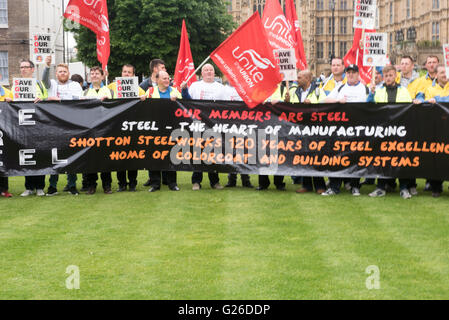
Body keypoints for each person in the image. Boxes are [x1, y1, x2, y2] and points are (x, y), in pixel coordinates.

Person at [367, 65, 414, 199]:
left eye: (390, 75)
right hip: (384, 131)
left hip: (399, 131)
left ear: (395, 76)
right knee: (383, 160)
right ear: (383, 77)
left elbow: (407, 109)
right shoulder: (379, 91)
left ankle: (404, 188)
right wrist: (371, 94)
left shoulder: (404, 91)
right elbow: (370, 105)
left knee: (401, 159)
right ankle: (381, 187)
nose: (388, 78)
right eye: (386, 76)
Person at [322, 64, 369, 196]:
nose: (350, 75)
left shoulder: (364, 89)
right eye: (348, 72)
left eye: (353, 72)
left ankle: (355, 186)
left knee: (355, 158)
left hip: (357, 128)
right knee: (337, 158)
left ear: (358, 74)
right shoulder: (340, 87)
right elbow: (325, 99)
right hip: (341, 129)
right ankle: (334, 187)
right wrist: (338, 100)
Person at [42, 56, 83, 196]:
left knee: (72, 155)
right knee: (55, 155)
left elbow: (78, 100)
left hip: (72, 125)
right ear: (56, 74)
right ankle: (52, 186)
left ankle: (72, 185)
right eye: (59, 71)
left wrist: (58, 99)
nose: (62, 73)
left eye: (64, 71)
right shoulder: (51, 84)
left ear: (68, 73)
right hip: (54, 125)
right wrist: (47, 66)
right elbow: (44, 80)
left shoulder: (75, 85)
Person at [182, 63, 226, 191]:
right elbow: (187, 101)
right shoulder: (195, 86)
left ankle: (215, 182)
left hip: (214, 126)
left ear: (214, 72)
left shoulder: (220, 87)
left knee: (213, 153)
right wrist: (184, 89)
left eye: (211, 70)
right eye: (206, 70)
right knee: (198, 153)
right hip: (198, 125)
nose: (208, 72)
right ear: (202, 73)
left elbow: (226, 106)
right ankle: (196, 181)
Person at [285, 70, 326, 194]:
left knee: (315, 157)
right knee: (303, 157)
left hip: (314, 128)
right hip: (299, 128)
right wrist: (286, 101)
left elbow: (325, 106)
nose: (297, 79)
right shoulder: (294, 91)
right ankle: (306, 185)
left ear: (308, 79)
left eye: (299, 77)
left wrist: (312, 104)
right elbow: (289, 109)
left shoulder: (318, 91)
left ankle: (320, 185)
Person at [12, 59, 48, 196]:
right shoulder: (16, 86)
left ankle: (40, 187)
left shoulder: (39, 84)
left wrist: (42, 99)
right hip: (23, 127)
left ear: (32, 69)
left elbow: (46, 99)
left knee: (39, 155)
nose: (23, 69)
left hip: (38, 126)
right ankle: (29, 187)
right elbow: (13, 102)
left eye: (26, 67)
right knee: (25, 155)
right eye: (21, 67)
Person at [145, 70, 185, 192]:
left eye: (168, 78)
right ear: (157, 80)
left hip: (171, 128)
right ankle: (155, 183)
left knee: (171, 156)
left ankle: (172, 183)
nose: (167, 80)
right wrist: (142, 100)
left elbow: (183, 107)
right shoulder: (150, 92)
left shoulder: (175, 91)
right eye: (164, 78)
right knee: (154, 156)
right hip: (155, 129)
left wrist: (177, 101)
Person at [108, 64, 146, 192]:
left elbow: (147, 102)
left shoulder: (139, 89)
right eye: (124, 72)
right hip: (117, 127)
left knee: (132, 156)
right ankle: (122, 183)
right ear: (121, 73)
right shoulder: (112, 87)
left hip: (132, 127)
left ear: (133, 75)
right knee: (119, 156)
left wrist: (144, 99)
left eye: (129, 72)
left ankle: (133, 183)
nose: (126, 74)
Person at [414, 64, 449, 197]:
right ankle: (436, 186)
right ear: (436, 74)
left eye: (446, 72)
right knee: (437, 155)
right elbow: (425, 101)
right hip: (437, 126)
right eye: (442, 73)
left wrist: (438, 100)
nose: (445, 75)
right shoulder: (429, 88)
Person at [82, 66, 114, 195]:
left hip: (106, 130)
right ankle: (91, 185)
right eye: (92, 73)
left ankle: (107, 185)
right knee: (91, 159)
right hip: (89, 130)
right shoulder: (84, 93)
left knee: (105, 159)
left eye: (97, 73)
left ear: (102, 76)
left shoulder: (109, 92)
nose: (94, 75)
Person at [222, 75, 253, 188]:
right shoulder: (224, 90)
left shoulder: (245, 90)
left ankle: (246, 179)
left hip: (244, 126)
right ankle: (232, 179)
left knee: (244, 152)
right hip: (229, 126)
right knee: (231, 153)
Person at [140, 59, 167, 187]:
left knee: (166, 150)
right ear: (155, 69)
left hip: (166, 123)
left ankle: (167, 178)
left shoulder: (168, 84)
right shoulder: (144, 85)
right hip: (150, 124)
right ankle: (153, 178)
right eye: (162, 67)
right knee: (152, 152)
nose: (165, 69)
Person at [0, 82, 13, 198]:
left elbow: (17, 109)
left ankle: (4, 190)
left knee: (3, 160)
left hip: (4, 132)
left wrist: (11, 103)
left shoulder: (8, 92)